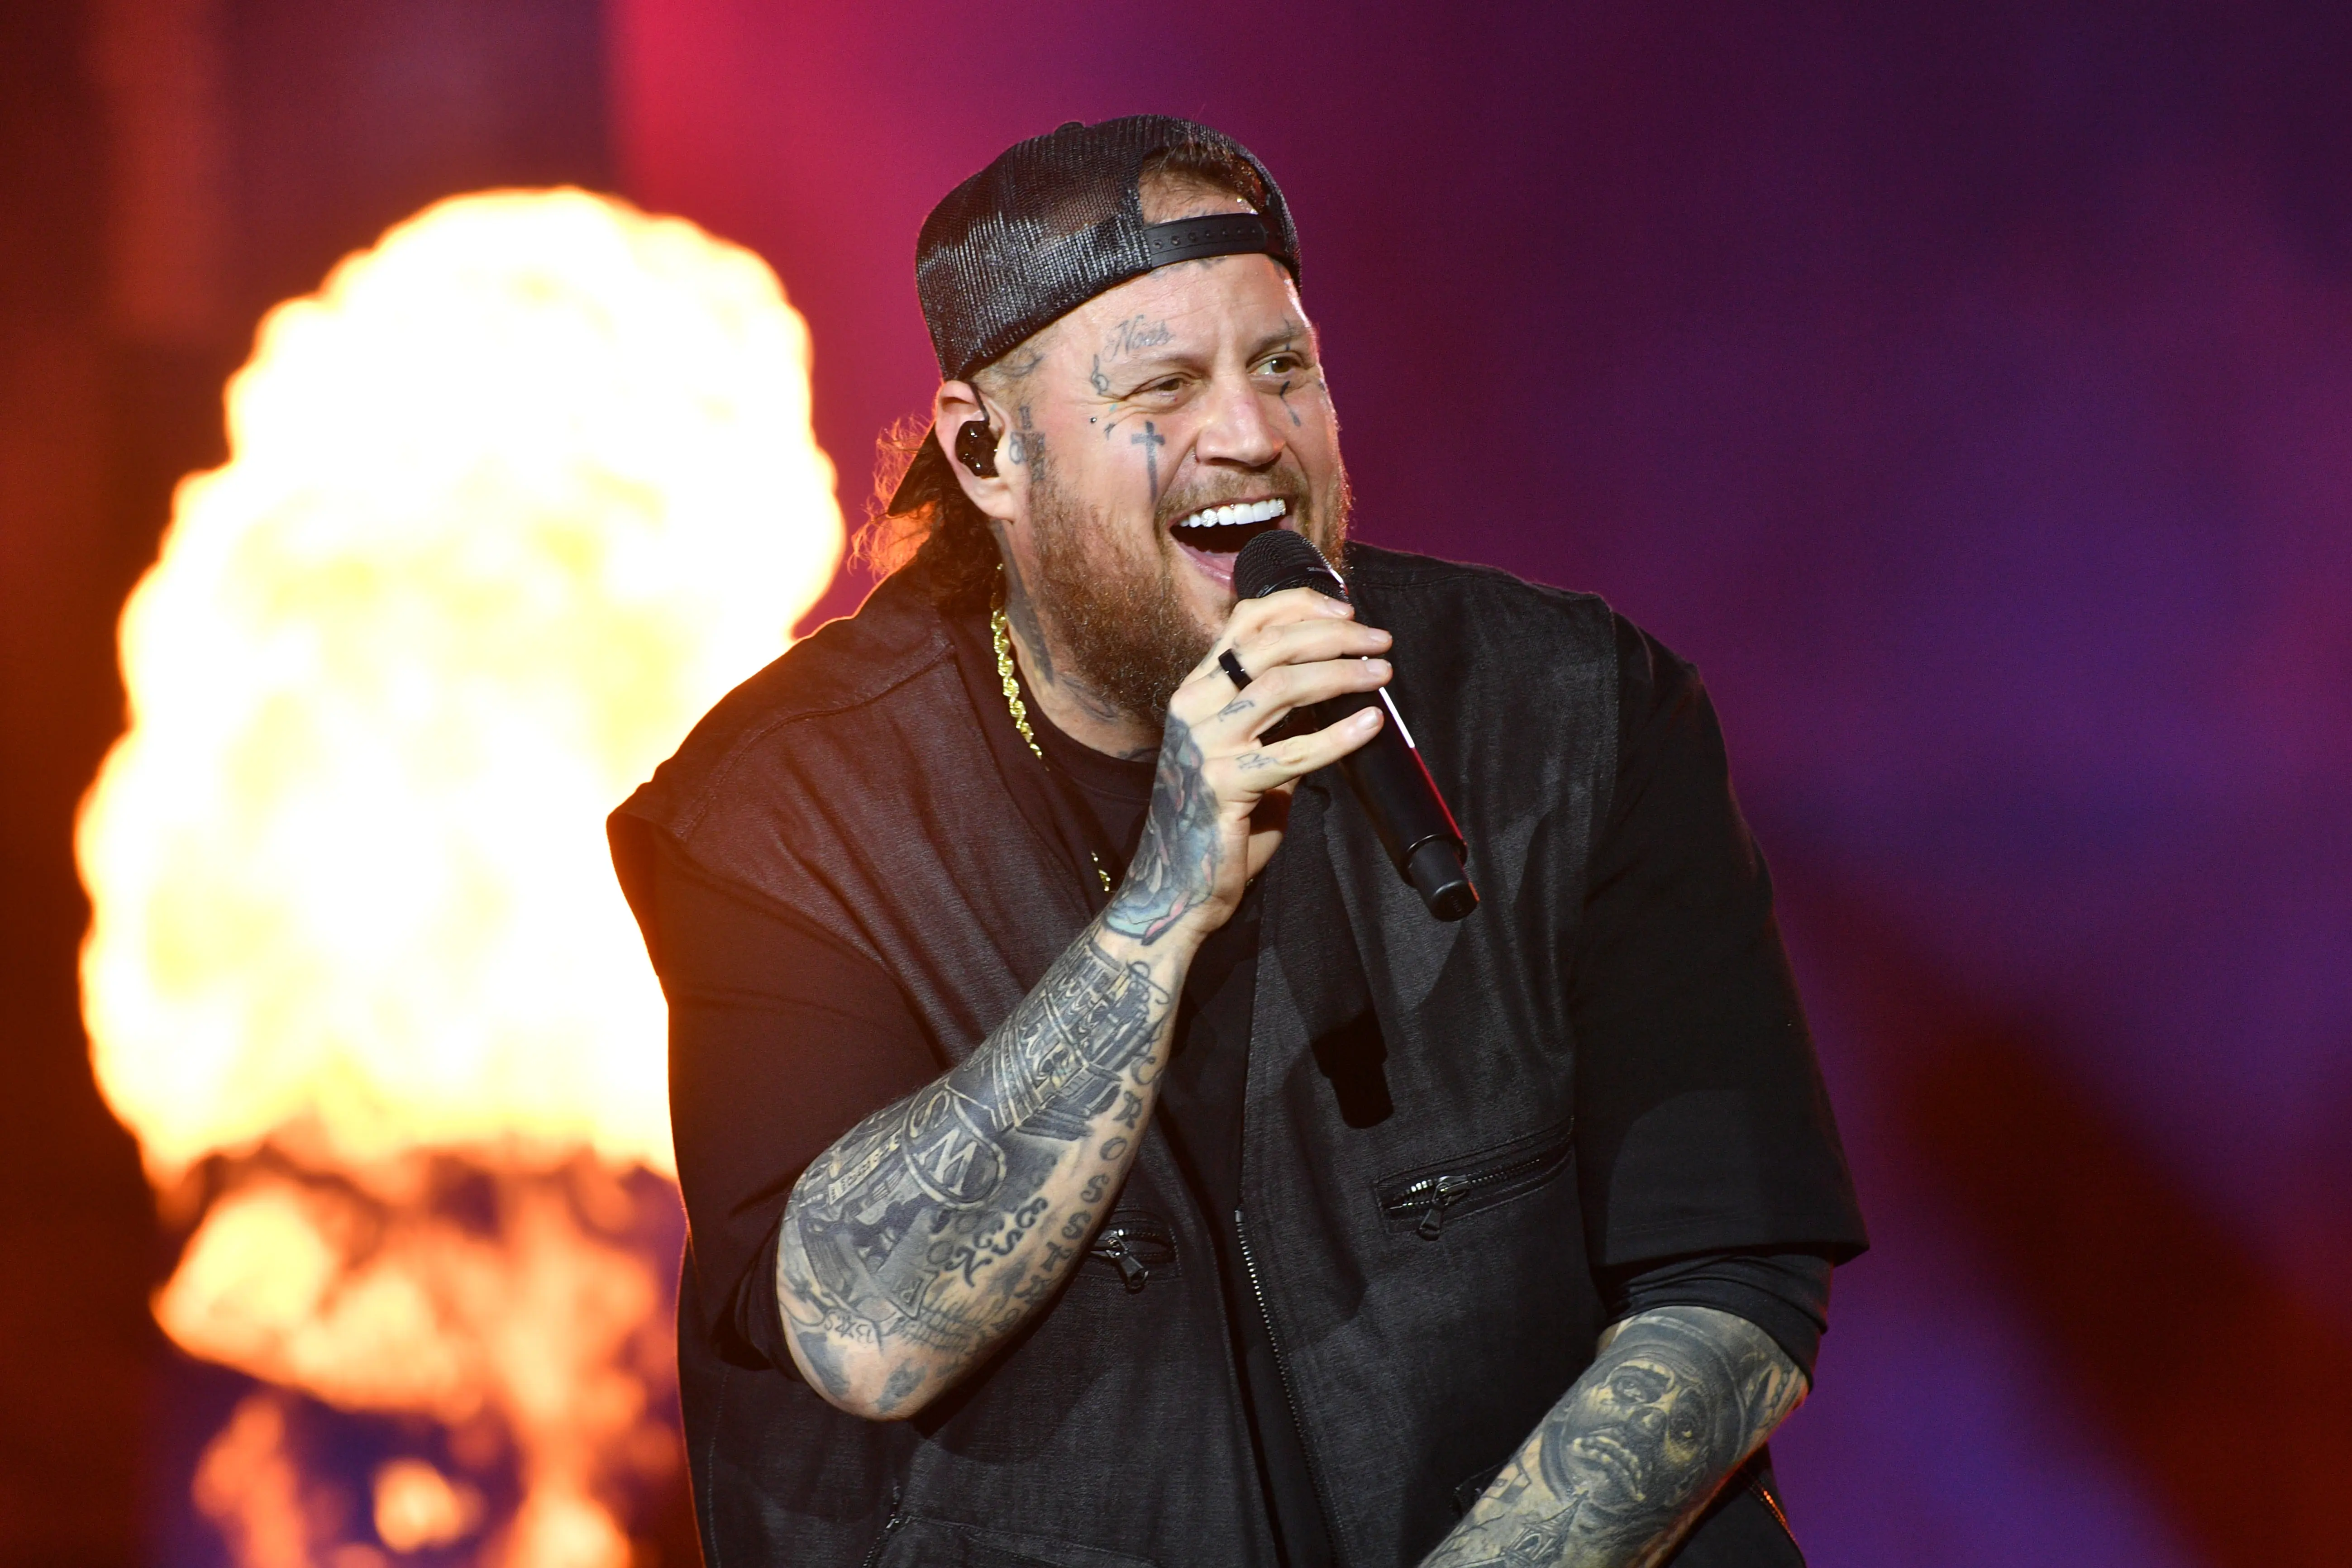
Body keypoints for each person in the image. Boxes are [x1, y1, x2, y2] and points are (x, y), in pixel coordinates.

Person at [610, 115, 1867, 1568]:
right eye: (1164, 386)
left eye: (1284, 368)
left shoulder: (1572, 711)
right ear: (986, 452)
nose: (1253, 435)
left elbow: (1732, 1284)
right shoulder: (785, 806)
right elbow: (863, 1336)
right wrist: (1165, 902)